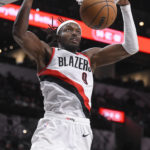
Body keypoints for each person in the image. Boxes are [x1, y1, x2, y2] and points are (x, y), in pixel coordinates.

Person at [12, 0, 139, 149]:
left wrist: (125, 7)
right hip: (54, 124)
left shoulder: (90, 58)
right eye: (69, 30)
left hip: (82, 130)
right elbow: (19, 33)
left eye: (78, 31)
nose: (74, 33)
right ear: (58, 36)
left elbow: (131, 48)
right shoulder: (48, 53)